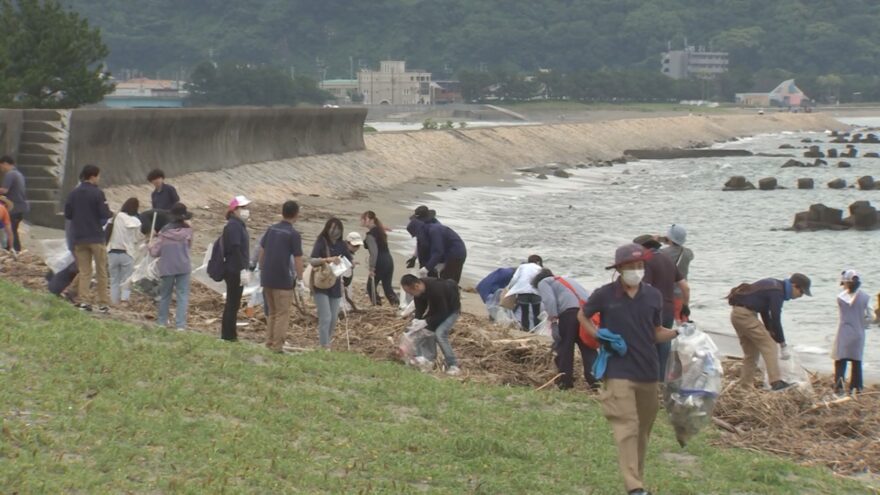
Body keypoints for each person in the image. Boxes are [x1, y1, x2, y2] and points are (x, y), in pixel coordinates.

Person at [578, 243, 679, 495]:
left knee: (643, 430)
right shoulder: (605, 295)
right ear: (619, 269)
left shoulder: (653, 296)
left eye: (640, 266)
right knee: (626, 425)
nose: (636, 270)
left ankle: (637, 482)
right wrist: (598, 335)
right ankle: (634, 487)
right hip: (617, 369)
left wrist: (679, 333)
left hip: (648, 372)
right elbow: (583, 315)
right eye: (631, 266)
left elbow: (655, 332)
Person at [727, 273, 812, 391]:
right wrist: (782, 344)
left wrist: (770, 331)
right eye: (801, 292)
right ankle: (776, 382)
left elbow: (765, 312)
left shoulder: (775, 286)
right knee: (770, 346)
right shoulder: (777, 292)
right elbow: (775, 317)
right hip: (746, 315)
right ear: (794, 286)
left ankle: (745, 386)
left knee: (751, 353)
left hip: (737, 314)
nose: (800, 296)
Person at [634, 234, 690, 380]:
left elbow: (646, 288)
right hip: (669, 308)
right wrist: (685, 305)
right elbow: (685, 286)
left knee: (648, 342)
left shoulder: (647, 261)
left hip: (654, 309)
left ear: (643, 247)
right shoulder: (668, 259)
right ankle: (661, 381)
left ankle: (649, 380)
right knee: (664, 344)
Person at [534, 268, 598, 390]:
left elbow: (549, 300)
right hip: (585, 315)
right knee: (588, 348)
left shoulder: (544, 282)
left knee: (565, 348)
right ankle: (595, 381)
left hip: (569, 315)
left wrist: (553, 321)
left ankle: (565, 382)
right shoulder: (568, 280)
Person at [64, 164, 113, 313]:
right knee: (101, 271)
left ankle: (84, 301)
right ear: (93, 176)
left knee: (84, 271)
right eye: (98, 176)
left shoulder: (73, 193)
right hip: (96, 237)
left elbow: (68, 214)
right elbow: (104, 213)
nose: (99, 179)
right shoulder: (98, 193)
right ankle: (103, 303)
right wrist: (111, 214)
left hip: (79, 238)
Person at [259, 200, 304, 353]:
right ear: (296, 214)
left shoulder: (271, 229)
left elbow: (262, 250)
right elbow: (298, 258)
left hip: (267, 277)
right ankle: (277, 346)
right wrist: (301, 279)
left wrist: (261, 269)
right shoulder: (293, 234)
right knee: (282, 313)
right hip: (283, 279)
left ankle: (269, 342)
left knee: (272, 312)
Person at [400, 274, 462, 375]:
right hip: (437, 310)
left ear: (416, 286)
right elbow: (420, 307)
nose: (410, 295)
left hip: (451, 310)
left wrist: (426, 321)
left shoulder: (436, 289)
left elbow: (443, 312)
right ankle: (425, 359)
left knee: (440, 334)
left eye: (410, 292)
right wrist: (417, 320)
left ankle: (453, 365)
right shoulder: (419, 292)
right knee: (422, 331)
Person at [149, 203, 193, 329]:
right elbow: (189, 247)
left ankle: (162, 322)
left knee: (165, 295)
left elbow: (155, 252)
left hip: (167, 267)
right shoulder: (188, 231)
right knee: (182, 296)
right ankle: (180, 325)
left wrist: (150, 247)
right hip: (184, 266)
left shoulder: (164, 232)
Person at [832, 270, 872, 395]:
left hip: (844, 332)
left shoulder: (840, 298)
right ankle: (856, 388)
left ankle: (839, 387)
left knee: (840, 360)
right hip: (858, 333)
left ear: (846, 283)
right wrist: (863, 324)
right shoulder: (865, 297)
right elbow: (870, 317)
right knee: (857, 361)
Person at [310, 218, 348, 349]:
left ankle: (327, 342)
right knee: (325, 316)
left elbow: (347, 260)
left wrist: (350, 264)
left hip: (335, 284)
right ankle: (324, 345)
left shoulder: (342, 245)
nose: (335, 231)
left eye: (337, 229)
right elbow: (312, 260)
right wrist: (327, 259)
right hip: (321, 283)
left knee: (333, 319)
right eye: (332, 228)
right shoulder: (321, 242)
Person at [221, 195, 252, 342]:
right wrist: (242, 269)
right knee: (232, 303)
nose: (245, 211)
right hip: (234, 269)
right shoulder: (233, 226)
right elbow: (235, 248)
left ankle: (230, 333)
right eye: (242, 208)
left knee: (234, 303)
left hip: (236, 268)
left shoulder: (238, 225)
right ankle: (228, 335)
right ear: (234, 210)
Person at [106, 197, 142, 304]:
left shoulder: (115, 217)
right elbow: (136, 239)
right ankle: (124, 300)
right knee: (126, 280)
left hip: (112, 252)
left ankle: (114, 302)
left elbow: (106, 231)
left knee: (114, 280)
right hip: (127, 253)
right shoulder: (136, 221)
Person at [362, 211, 399, 306]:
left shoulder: (370, 235)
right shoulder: (379, 230)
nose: (362, 221)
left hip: (380, 261)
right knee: (387, 287)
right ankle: (396, 305)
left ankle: (377, 305)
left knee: (370, 286)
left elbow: (374, 252)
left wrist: (372, 268)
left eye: (364, 219)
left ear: (371, 220)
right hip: (388, 260)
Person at [660, 224, 694, 323]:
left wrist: (660, 240)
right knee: (682, 326)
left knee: (667, 326)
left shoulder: (662, 253)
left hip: (667, 296)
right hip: (682, 296)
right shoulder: (688, 253)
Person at [505, 255, 544, 331]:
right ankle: (536, 330)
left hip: (523, 292)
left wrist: (510, 288)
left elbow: (515, 278)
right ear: (538, 262)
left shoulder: (522, 267)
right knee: (536, 313)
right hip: (536, 292)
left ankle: (525, 329)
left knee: (524, 312)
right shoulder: (540, 269)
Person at [0, 155, 29, 253]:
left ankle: (14, 250)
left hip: (14, 208)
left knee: (10, 230)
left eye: (2, 166)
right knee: (13, 230)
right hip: (21, 207)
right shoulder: (18, 174)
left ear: (5, 164)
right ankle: (12, 249)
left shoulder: (10, 174)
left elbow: (4, 190)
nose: (2, 169)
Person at [342, 231, 363, 312]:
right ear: (348, 243)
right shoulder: (343, 251)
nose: (356, 248)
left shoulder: (349, 252)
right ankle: (344, 308)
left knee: (348, 289)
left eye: (358, 246)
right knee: (344, 290)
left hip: (347, 277)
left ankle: (347, 306)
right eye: (354, 245)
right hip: (342, 278)